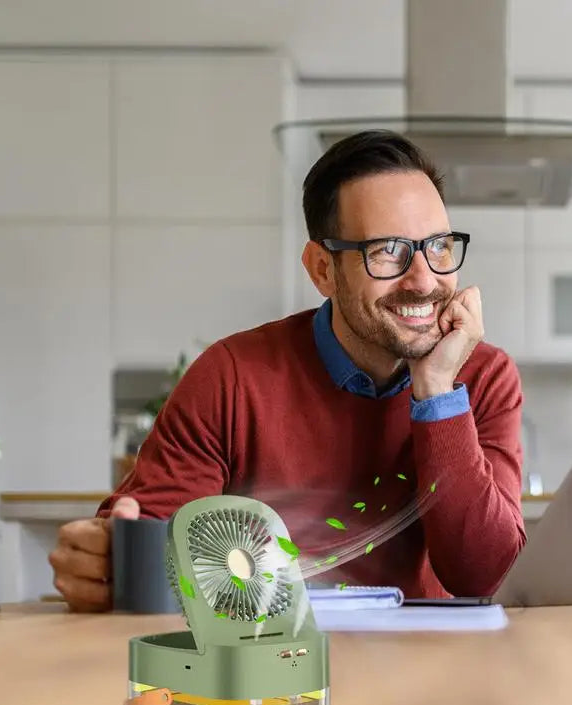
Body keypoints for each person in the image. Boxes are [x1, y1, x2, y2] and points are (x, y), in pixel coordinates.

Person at [49, 130, 527, 612]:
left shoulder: (483, 376)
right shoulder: (231, 378)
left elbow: (483, 578)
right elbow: (143, 544)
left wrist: (436, 392)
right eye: (387, 251)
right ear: (322, 270)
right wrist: (103, 559)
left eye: (439, 246)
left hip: (434, 666)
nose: (424, 279)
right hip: (269, 664)